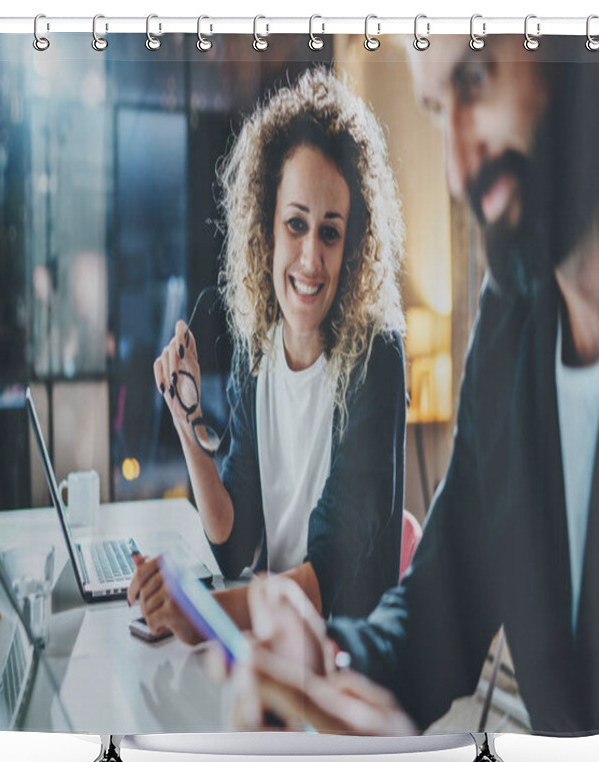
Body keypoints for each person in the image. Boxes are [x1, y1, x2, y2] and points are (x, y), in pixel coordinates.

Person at [228, 34, 599, 737]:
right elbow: (445, 601)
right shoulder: (512, 318)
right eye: (438, 110)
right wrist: (330, 662)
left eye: (475, 79)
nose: (460, 170)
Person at [127, 67, 408, 644]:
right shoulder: (257, 351)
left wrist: (202, 616)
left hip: (346, 664)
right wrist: (186, 422)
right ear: (267, 229)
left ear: (352, 245)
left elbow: (325, 579)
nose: (310, 259)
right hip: (273, 646)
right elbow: (234, 543)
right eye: (296, 225)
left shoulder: (374, 360)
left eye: (330, 233)